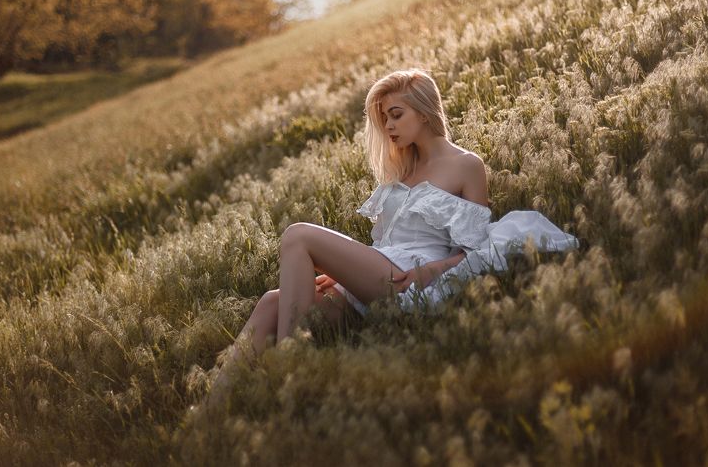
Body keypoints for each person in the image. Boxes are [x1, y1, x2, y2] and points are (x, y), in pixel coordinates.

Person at [202, 67, 578, 410]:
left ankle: (289, 373)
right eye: (384, 119)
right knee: (271, 302)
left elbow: (477, 248)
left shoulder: (466, 164)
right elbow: (386, 243)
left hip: (405, 278)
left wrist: (431, 271)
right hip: (377, 277)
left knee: (298, 235)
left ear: (425, 110)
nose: (389, 126)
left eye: (396, 115)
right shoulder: (405, 168)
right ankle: (208, 413)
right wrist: (344, 271)